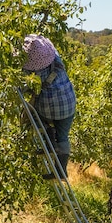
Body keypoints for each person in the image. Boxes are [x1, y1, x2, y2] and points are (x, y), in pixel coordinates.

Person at [21, 34, 76, 178]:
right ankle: (61, 171)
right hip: (69, 103)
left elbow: (24, 86)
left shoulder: (31, 70)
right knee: (63, 137)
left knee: (34, 115)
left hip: (48, 106)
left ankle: (48, 139)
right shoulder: (55, 58)